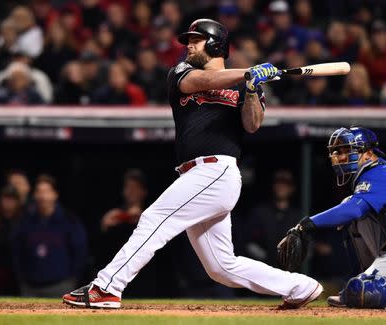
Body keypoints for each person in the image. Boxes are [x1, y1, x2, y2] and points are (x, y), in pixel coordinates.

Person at [63, 18, 322, 309]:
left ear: (215, 44)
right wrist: (248, 73)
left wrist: (251, 89)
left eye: (195, 40)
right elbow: (204, 81)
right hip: (197, 173)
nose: (188, 45)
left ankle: (107, 287)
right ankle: (300, 286)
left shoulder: (243, 85)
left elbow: (252, 124)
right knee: (221, 266)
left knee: (153, 219)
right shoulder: (183, 72)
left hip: (217, 170)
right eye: (188, 40)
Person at [279, 126, 386, 309]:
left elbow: (353, 210)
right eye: (337, 152)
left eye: (347, 151)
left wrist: (306, 224)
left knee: (362, 290)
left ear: (368, 153)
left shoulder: (381, 173)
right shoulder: (378, 172)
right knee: (349, 208)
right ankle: (363, 277)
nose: (341, 157)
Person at [12, 174, 88, 297]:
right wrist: (21, 277)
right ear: (35, 195)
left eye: (47, 192)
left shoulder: (69, 220)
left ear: (55, 194)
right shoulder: (25, 220)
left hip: (61, 285)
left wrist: (73, 279)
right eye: (39, 192)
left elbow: (80, 251)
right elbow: (16, 250)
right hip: (30, 286)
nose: (43, 196)